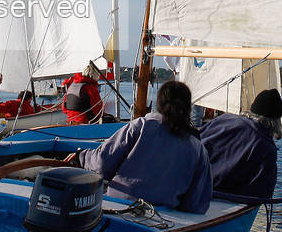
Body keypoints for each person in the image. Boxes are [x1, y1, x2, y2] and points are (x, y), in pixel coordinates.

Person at [76, 79, 213, 213]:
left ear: (159, 104)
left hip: (118, 205)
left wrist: (81, 157)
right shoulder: (198, 149)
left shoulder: (140, 126)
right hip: (161, 216)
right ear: (188, 108)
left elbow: (101, 164)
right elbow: (196, 204)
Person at [200, 88, 282, 199]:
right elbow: (261, 192)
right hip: (221, 197)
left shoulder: (223, 119)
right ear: (277, 122)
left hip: (190, 184)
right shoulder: (267, 149)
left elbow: (195, 140)